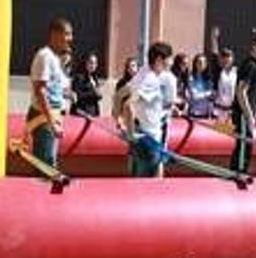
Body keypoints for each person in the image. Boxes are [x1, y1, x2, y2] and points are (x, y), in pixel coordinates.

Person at [115, 41, 174, 178]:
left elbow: (118, 95)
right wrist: (130, 134)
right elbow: (128, 104)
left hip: (141, 138)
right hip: (149, 142)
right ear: (159, 60)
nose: (170, 63)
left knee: (138, 187)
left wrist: (119, 120)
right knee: (149, 191)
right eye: (169, 59)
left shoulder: (143, 71)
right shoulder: (151, 80)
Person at [26, 17, 74, 167]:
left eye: (70, 34)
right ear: (54, 34)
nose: (70, 39)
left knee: (49, 164)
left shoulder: (55, 59)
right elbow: (40, 90)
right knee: (46, 167)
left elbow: (54, 89)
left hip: (52, 117)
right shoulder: (45, 56)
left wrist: (68, 94)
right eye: (67, 34)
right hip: (44, 119)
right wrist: (52, 123)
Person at [230, 29, 256, 174]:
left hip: (249, 113)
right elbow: (241, 91)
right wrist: (249, 115)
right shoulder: (250, 65)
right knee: (243, 146)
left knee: (247, 146)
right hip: (243, 114)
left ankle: (241, 171)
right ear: (254, 46)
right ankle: (238, 172)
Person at [207, 27, 237, 121]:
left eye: (228, 57)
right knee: (219, 133)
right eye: (224, 57)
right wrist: (214, 38)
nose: (226, 60)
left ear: (232, 59)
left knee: (230, 134)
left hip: (231, 111)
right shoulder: (218, 71)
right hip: (218, 110)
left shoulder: (236, 72)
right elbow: (214, 54)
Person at [70, 51, 102, 117]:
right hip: (81, 113)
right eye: (91, 63)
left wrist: (99, 95)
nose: (93, 65)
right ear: (85, 63)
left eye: (95, 63)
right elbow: (77, 96)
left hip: (93, 113)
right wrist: (93, 93)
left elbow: (96, 96)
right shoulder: (79, 77)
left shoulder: (94, 78)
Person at [187, 53, 215, 119]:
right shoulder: (191, 78)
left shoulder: (208, 78)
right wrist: (209, 93)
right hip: (195, 113)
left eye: (204, 62)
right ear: (195, 64)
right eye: (199, 62)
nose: (202, 65)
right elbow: (195, 96)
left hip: (207, 114)